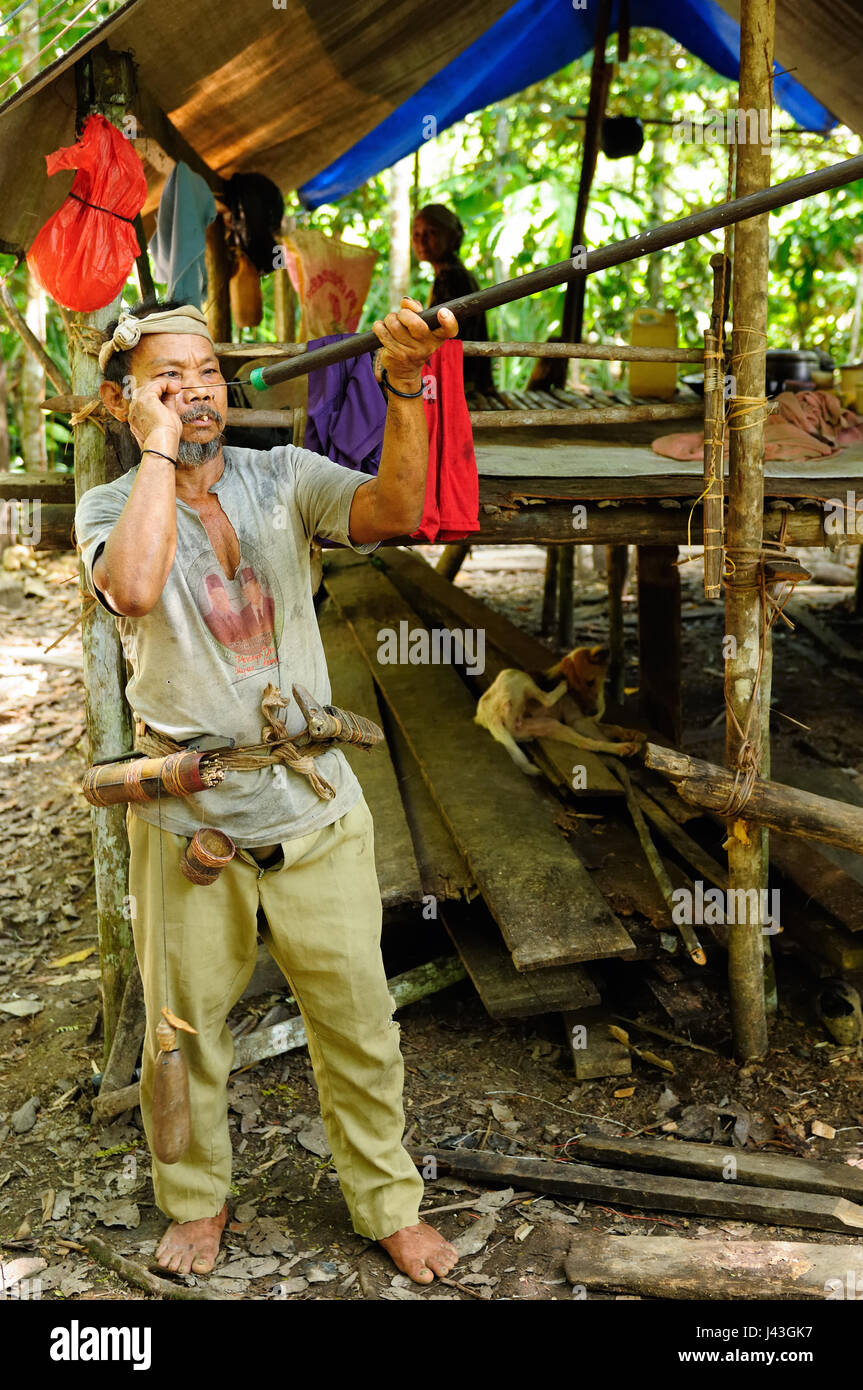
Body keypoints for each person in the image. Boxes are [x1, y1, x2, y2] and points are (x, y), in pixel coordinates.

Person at [75, 294, 461, 1285]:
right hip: (187, 819)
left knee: (360, 1024)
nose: (197, 389)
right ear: (123, 404)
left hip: (313, 804)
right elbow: (136, 588)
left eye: (206, 371)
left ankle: (385, 1202)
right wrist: (159, 449)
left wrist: (406, 383)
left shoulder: (280, 476)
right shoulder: (111, 508)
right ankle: (197, 1202)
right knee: (180, 1033)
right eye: (169, 379)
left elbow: (391, 511)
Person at [411, 203, 495, 395]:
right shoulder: (451, 273)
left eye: (430, 233)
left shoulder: (453, 277)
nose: (421, 240)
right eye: (416, 234)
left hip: (462, 386)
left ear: (451, 238)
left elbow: (440, 335)